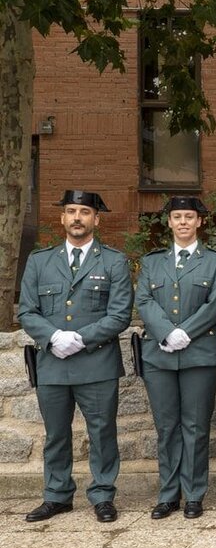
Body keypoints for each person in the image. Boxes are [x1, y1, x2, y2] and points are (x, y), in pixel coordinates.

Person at [18, 190, 133, 524]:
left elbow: (120, 314)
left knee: (102, 432)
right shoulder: (40, 261)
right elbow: (27, 310)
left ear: (96, 219)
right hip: (52, 362)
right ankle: (57, 495)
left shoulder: (113, 261)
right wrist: (54, 337)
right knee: (55, 434)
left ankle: (102, 495)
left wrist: (81, 338)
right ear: (62, 218)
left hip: (97, 363)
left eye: (85, 211)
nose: (77, 217)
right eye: (71, 211)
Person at [135, 196, 216, 520]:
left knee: (196, 426)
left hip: (200, 353)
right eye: (177, 217)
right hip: (159, 356)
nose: (184, 222)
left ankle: (194, 494)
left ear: (200, 221)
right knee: (167, 427)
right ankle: (168, 494)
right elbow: (144, 300)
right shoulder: (152, 262)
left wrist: (186, 331)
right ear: (169, 222)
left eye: (189, 216)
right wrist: (166, 332)